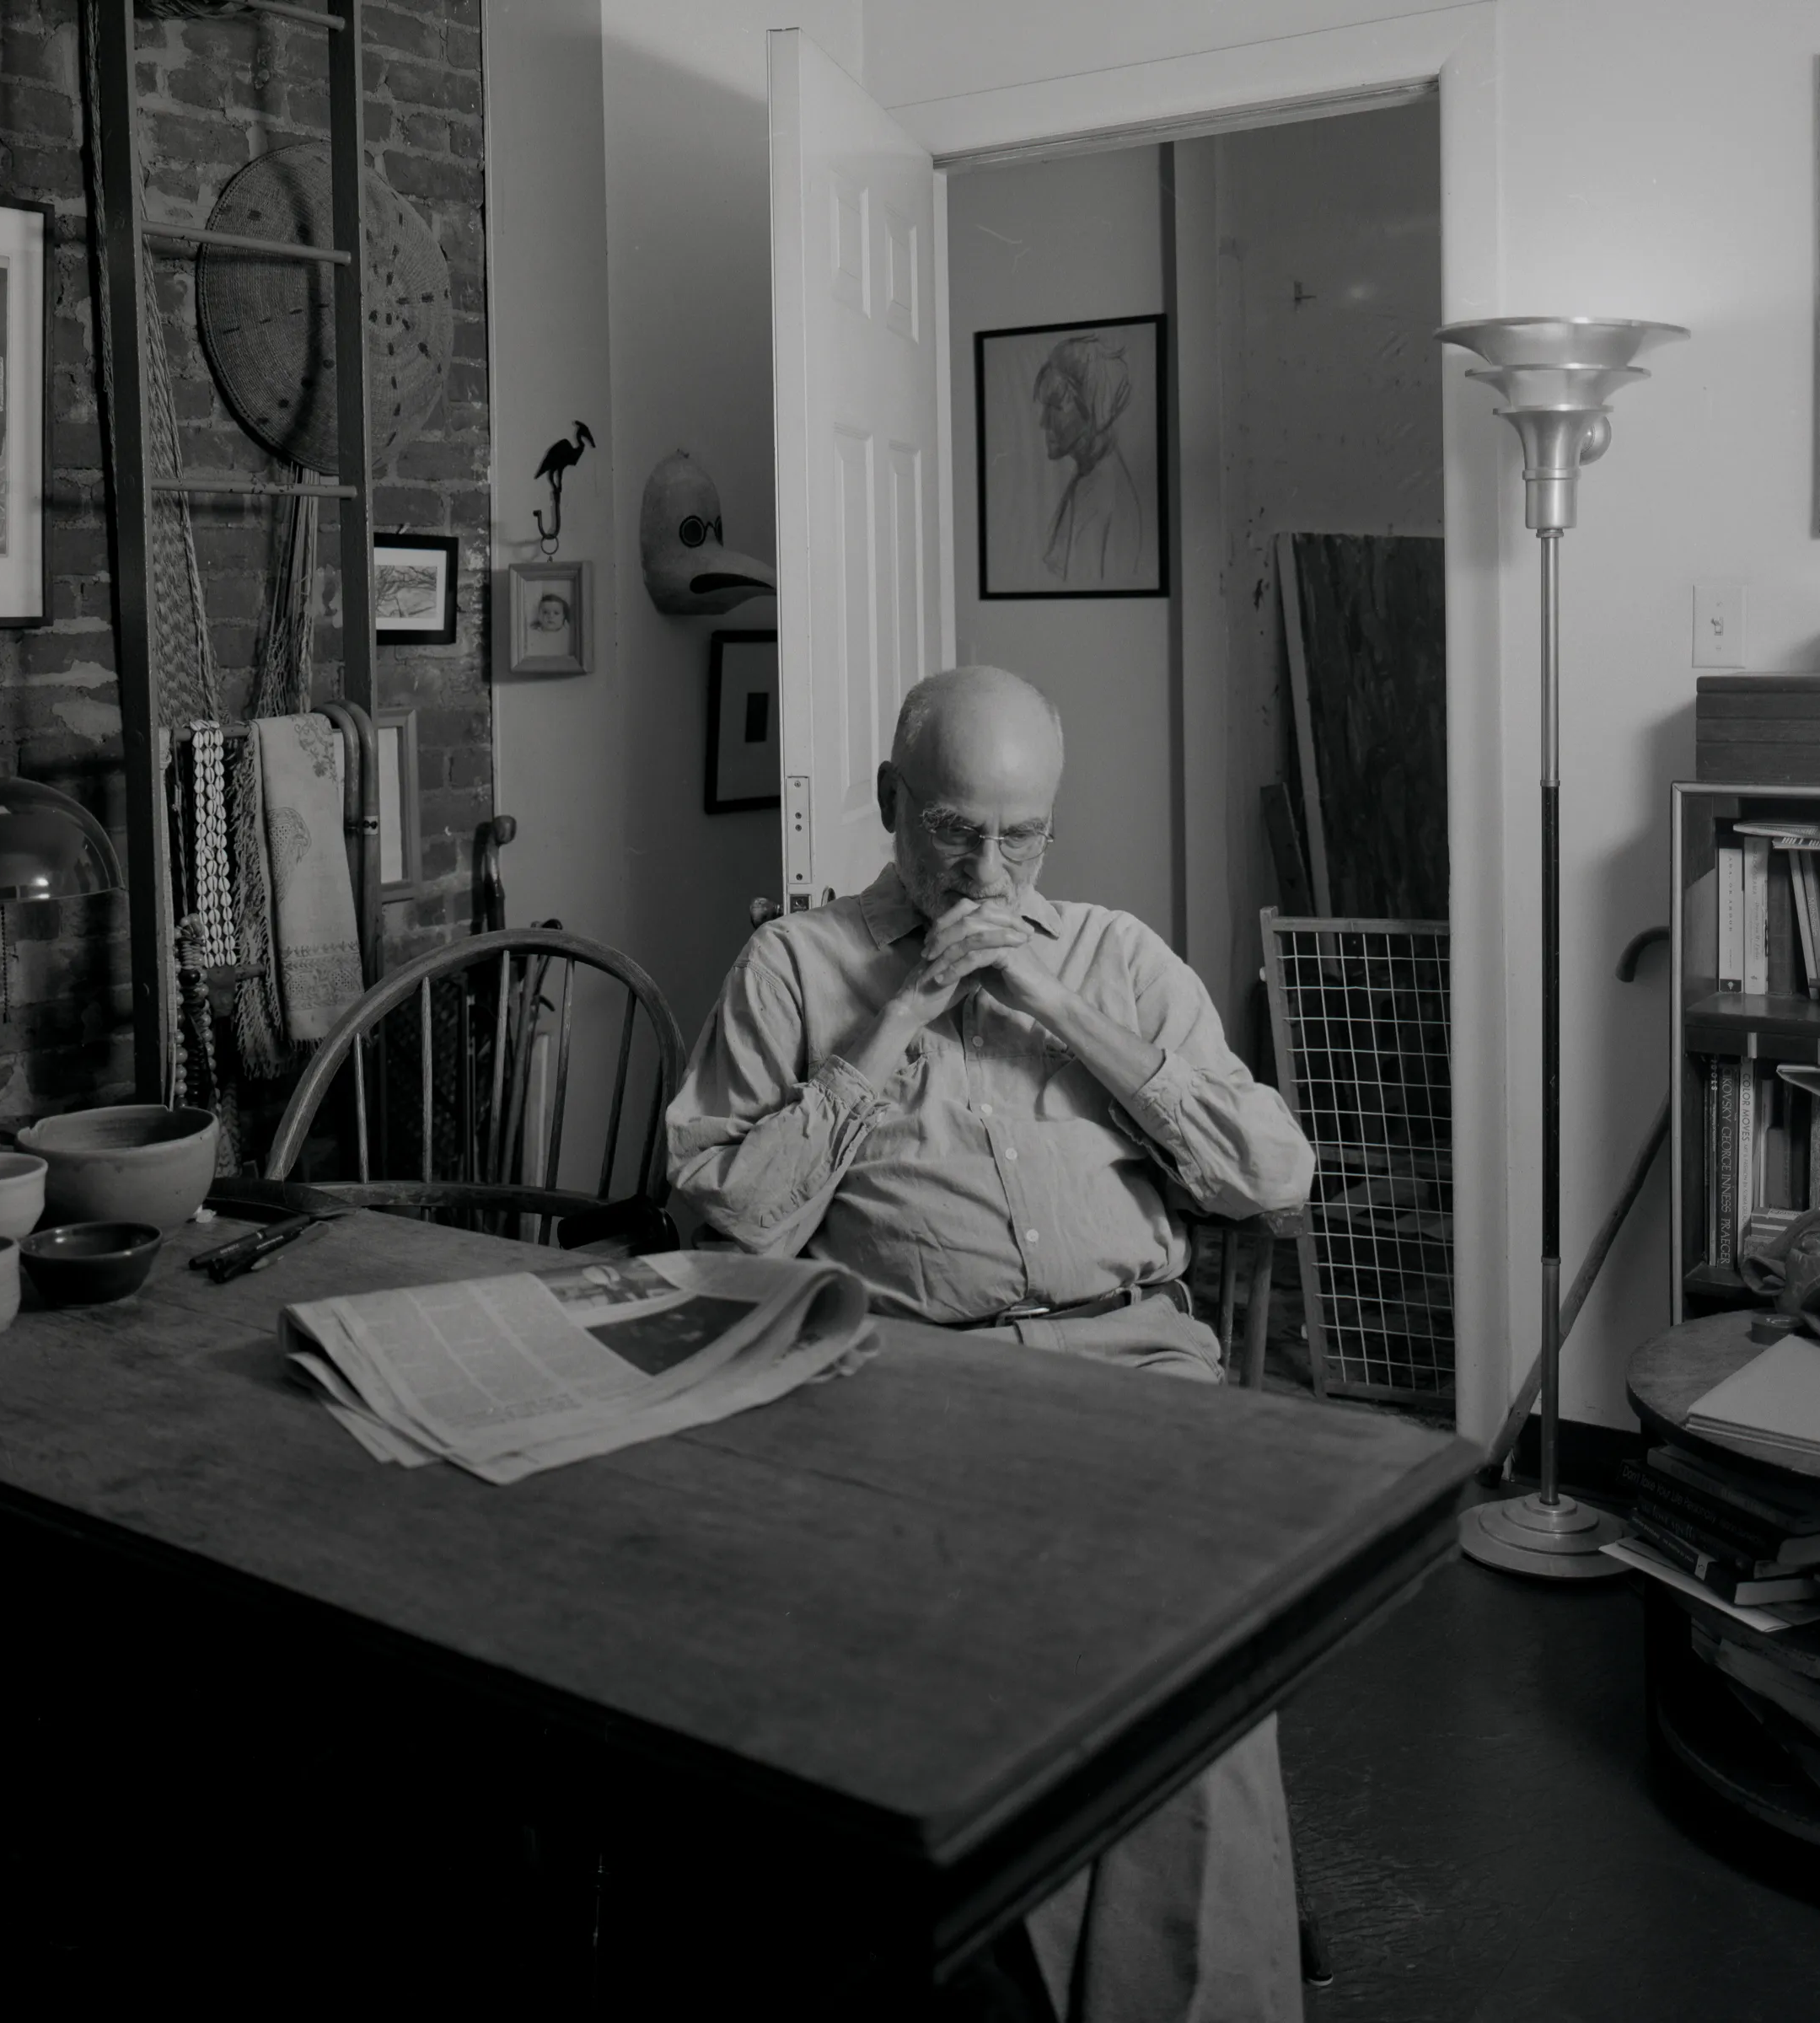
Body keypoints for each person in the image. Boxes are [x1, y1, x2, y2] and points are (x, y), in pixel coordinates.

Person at [666, 665, 1317, 2022]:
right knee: (972, 1658)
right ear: (893, 805)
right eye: (956, 829)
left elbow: (1272, 1178)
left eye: (1021, 837)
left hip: (1134, 1367)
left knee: (1184, 1659)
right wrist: (893, 1023)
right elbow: (730, 1224)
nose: (986, 869)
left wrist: (1059, 1006)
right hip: (913, 1383)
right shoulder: (797, 964)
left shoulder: (1119, 959)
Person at [1034, 333, 1145, 588]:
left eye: (1055, 407)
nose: (1043, 422)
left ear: (1092, 410)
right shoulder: (1089, 478)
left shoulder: (1100, 491)